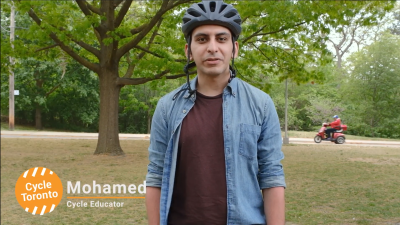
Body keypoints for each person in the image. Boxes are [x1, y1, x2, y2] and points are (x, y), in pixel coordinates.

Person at [145, 1, 286, 224]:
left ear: (235, 48)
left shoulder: (262, 104)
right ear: (188, 51)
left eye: (221, 39)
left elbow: (272, 176)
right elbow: (156, 176)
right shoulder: (166, 107)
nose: (212, 47)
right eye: (202, 39)